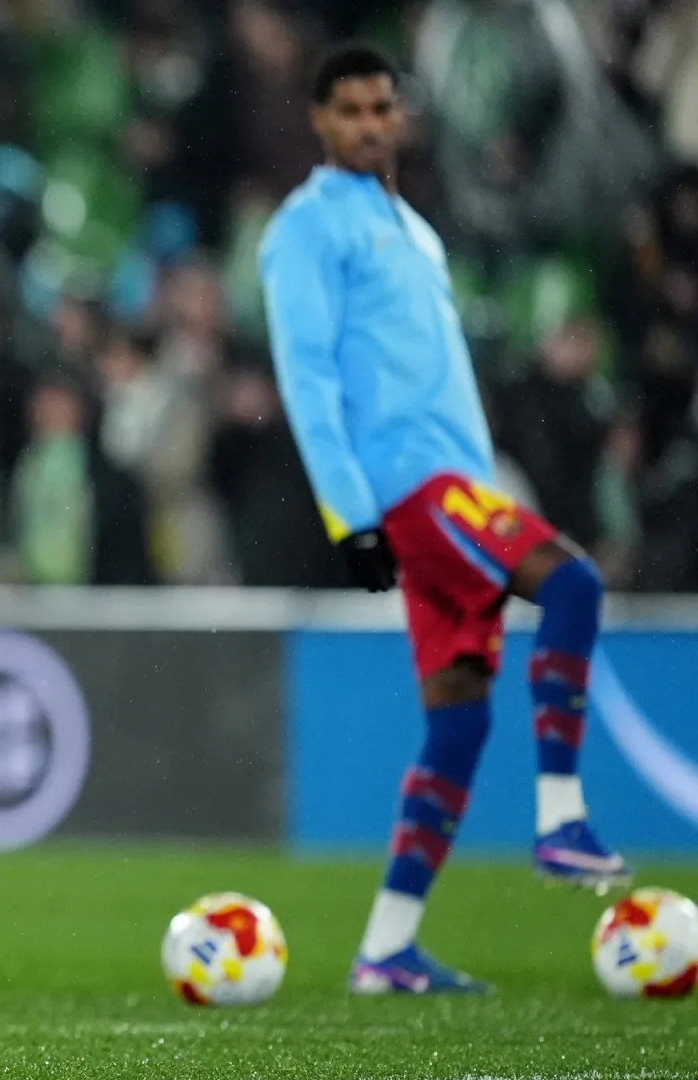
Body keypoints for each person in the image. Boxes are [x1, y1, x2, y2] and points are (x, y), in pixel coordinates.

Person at [259, 43, 630, 997]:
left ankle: (386, 948)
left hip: (456, 486)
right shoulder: (305, 230)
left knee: (457, 722)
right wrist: (350, 517)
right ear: (319, 120)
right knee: (574, 583)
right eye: (349, 110)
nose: (371, 124)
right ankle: (560, 819)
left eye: (383, 107)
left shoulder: (411, 227)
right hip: (414, 490)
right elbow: (307, 380)